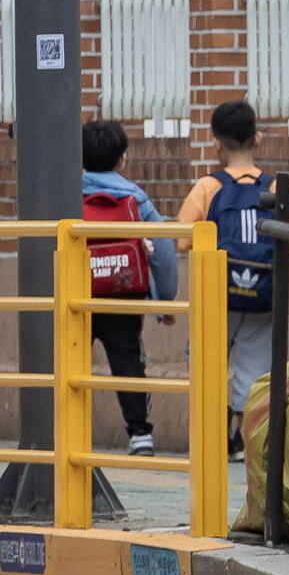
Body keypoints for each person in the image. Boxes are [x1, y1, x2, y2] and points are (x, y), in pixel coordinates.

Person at [176, 101, 275, 456]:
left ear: (215, 141)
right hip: (264, 293)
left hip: (217, 292)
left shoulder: (207, 187)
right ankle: (246, 440)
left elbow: (183, 239)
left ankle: (213, 436)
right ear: (258, 140)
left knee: (206, 360)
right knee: (255, 367)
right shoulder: (275, 186)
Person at [82, 121, 179, 458]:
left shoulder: (67, 194)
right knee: (127, 360)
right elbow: (163, 249)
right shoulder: (135, 197)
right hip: (123, 291)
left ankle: (65, 429)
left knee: (69, 359)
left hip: (77, 291)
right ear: (122, 159)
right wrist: (164, 300)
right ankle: (139, 434)